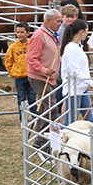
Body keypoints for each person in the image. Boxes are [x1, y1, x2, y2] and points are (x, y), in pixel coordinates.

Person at [26, 9, 62, 143]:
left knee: (46, 107)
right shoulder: (39, 36)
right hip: (39, 77)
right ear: (48, 21)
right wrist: (44, 70)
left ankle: (43, 137)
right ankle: (43, 139)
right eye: (58, 21)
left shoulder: (53, 35)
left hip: (49, 78)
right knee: (51, 107)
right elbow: (30, 58)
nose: (60, 23)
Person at [60, 19, 93, 124]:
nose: (87, 34)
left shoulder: (77, 47)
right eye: (87, 31)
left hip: (81, 88)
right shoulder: (71, 49)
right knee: (69, 122)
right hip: (73, 90)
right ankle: (57, 140)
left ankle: (88, 139)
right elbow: (76, 72)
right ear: (82, 32)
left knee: (89, 119)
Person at [5, 22, 36, 122]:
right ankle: (23, 119)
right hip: (19, 77)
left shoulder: (32, 45)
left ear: (28, 33)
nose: (19, 34)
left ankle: (35, 117)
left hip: (31, 76)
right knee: (21, 98)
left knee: (32, 98)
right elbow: (8, 61)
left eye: (22, 32)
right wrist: (12, 72)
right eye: (18, 32)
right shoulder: (13, 47)